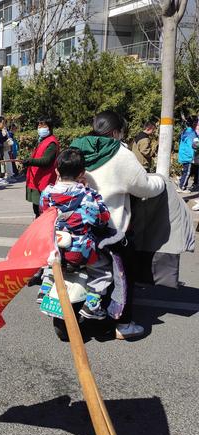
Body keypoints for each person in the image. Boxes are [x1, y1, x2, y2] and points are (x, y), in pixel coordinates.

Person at [70, 110, 165, 339]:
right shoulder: (119, 153)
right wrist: (161, 180)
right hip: (110, 228)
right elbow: (143, 186)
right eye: (121, 132)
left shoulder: (75, 147)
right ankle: (123, 324)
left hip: (75, 225)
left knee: (79, 268)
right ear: (115, 131)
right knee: (124, 276)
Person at [40, 148, 112, 320]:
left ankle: (45, 287)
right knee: (103, 270)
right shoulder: (88, 195)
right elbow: (103, 217)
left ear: (56, 171)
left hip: (54, 247)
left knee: (50, 263)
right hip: (80, 252)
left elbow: (43, 214)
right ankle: (92, 304)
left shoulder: (47, 193)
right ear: (82, 173)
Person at [22, 116, 59, 218]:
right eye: (39, 125)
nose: (40, 127)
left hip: (44, 180)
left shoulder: (52, 143)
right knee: (36, 208)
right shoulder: (43, 140)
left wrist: (30, 161)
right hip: (36, 179)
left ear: (50, 127)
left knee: (42, 209)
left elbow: (47, 161)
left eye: (43, 125)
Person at [177, 116, 198, 193]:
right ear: (193, 123)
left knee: (187, 171)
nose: (197, 124)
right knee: (187, 172)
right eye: (196, 122)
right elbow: (192, 146)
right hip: (188, 156)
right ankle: (182, 187)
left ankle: (181, 183)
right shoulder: (191, 133)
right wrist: (192, 156)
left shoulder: (187, 131)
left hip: (185, 155)